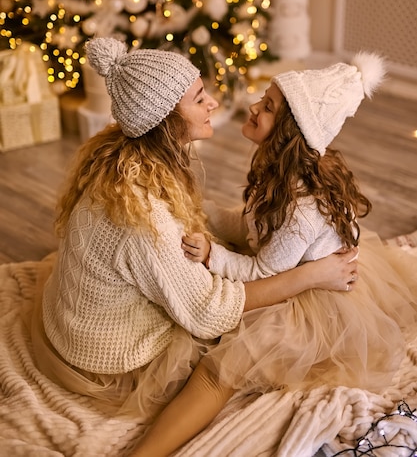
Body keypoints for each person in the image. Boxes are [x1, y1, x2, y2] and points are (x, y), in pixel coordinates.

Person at [31, 37, 358, 427]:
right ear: (166, 120)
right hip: (110, 360)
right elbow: (211, 313)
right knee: (238, 352)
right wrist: (309, 275)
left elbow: (215, 224)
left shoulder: (129, 159)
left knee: (205, 257)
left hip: (74, 325)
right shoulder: (143, 217)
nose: (214, 104)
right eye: (199, 97)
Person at [132, 52, 417, 457]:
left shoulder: (301, 209)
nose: (253, 107)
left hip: (305, 296)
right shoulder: (280, 170)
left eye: (267, 108)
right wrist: (209, 213)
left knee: (218, 372)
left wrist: (214, 255)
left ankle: (148, 452)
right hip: (285, 263)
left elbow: (263, 269)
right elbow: (253, 227)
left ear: (289, 132)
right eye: (263, 99)